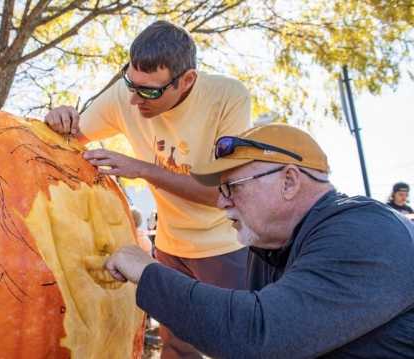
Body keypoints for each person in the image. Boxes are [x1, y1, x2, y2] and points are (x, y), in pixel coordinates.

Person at [104, 123, 414, 358]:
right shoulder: (269, 247)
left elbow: (260, 336)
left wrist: (146, 271)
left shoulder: (366, 232)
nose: (221, 202)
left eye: (232, 187)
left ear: (289, 182)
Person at [44, 20, 252, 357]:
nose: (135, 100)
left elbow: (223, 194)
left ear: (187, 81)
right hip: (170, 247)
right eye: (131, 83)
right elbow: (66, 140)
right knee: (176, 346)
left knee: (245, 344)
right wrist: (59, 119)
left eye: (150, 91)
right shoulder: (125, 97)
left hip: (226, 243)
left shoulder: (227, 98)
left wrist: (141, 169)